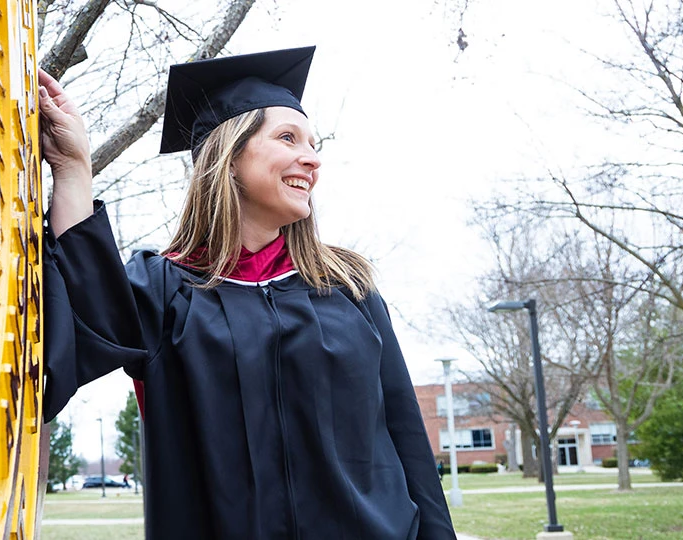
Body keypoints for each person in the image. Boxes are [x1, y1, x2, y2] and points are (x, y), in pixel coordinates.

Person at [36, 47, 456, 539]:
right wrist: (72, 168)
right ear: (229, 157)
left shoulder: (347, 290)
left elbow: (406, 436)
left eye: (313, 143)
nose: (312, 159)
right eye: (287, 137)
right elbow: (81, 326)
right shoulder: (164, 291)